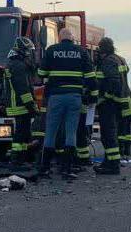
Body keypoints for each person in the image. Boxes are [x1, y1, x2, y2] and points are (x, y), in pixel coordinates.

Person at [38, 27, 94, 179]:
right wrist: (92, 96)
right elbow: (90, 76)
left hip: (55, 96)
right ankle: (67, 169)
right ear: (72, 38)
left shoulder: (51, 50)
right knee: (71, 132)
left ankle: (44, 168)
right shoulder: (81, 51)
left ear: (60, 37)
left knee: (51, 131)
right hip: (74, 97)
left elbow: (41, 73)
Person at [3, 37, 39, 164]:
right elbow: (23, 89)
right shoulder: (18, 66)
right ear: (22, 51)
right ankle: (16, 159)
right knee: (20, 133)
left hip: (17, 104)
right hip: (19, 105)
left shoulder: (13, 63)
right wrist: (31, 106)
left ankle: (24, 157)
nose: (30, 53)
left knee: (24, 133)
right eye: (28, 50)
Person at [94, 37, 124, 174]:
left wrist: (104, 97)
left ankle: (112, 166)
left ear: (102, 49)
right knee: (108, 135)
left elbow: (113, 83)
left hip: (109, 104)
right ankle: (109, 162)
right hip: (113, 103)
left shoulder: (108, 61)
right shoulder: (115, 59)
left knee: (108, 135)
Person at [115, 51, 131, 160]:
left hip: (122, 103)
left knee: (121, 129)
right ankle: (127, 150)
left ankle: (121, 150)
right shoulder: (123, 65)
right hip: (129, 102)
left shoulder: (112, 65)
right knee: (127, 129)